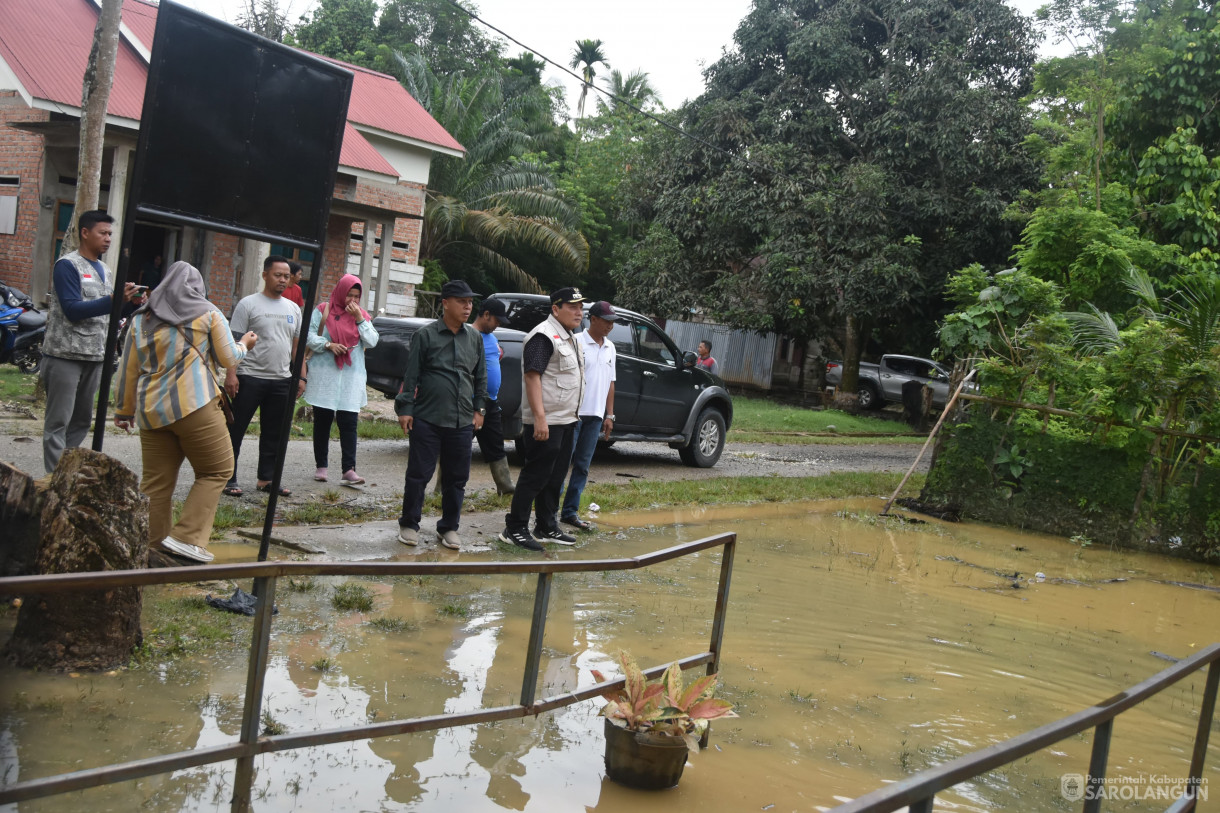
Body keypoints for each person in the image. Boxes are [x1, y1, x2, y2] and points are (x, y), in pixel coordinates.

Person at [113, 262, 258, 563]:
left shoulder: (140, 320)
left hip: (151, 413)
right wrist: (245, 344)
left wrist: (124, 410)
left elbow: (128, 368)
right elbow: (227, 356)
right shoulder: (208, 313)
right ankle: (187, 538)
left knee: (155, 483)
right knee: (217, 470)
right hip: (196, 407)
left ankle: (152, 548)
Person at [41, 209, 145, 473]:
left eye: (110, 234)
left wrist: (127, 304)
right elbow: (73, 309)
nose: (108, 239)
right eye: (103, 233)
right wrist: (112, 301)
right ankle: (53, 481)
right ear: (85, 233)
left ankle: (68, 474)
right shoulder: (67, 265)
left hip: (95, 355)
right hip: (65, 355)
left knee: (81, 421)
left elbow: (107, 312)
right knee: (58, 422)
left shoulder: (105, 270)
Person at [395, 279, 487, 550]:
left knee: (457, 478)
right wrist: (406, 408)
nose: (468, 307)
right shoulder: (426, 336)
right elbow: (411, 375)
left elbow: (481, 377)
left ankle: (448, 527)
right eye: (462, 301)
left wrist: (479, 409)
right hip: (427, 417)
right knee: (418, 475)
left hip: (461, 420)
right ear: (445, 303)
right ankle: (409, 524)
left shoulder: (475, 338)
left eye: (470, 302)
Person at [499, 287, 586, 552]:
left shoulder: (569, 336)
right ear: (556, 309)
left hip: (566, 419)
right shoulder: (543, 335)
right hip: (546, 421)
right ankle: (514, 528)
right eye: (572, 307)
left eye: (580, 307)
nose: (579, 312)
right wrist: (539, 418)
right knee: (535, 476)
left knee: (555, 476)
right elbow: (532, 376)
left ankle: (547, 525)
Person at [223, 255, 301, 497]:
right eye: (277, 275)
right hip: (249, 377)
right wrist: (231, 374)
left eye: (286, 276)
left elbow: (296, 347)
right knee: (235, 429)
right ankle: (228, 478)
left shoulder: (293, 308)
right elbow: (234, 342)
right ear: (265, 275)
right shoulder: (248, 304)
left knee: (274, 433)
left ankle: (267, 479)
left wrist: (300, 376)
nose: (282, 280)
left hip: (281, 380)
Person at [303, 273, 379, 484]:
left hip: (350, 379)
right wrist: (328, 345)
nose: (352, 301)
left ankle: (349, 470)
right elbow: (307, 335)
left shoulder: (362, 316)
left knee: (349, 424)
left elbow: (372, 341)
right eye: (348, 295)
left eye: (356, 296)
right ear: (340, 292)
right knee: (322, 422)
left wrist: (359, 319)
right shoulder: (323, 310)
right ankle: (321, 466)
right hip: (325, 375)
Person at [560, 300, 618, 531]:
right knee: (562, 464)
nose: (610, 326)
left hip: (595, 416)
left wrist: (609, 415)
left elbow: (611, 382)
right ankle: (549, 513)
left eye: (613, 322)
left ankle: (569, 512)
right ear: (593, 319)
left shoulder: (610, 347)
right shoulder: (576, 342)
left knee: (583, 466)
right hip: (574, 414)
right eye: (607, 321)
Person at [473, 298, 516, 495]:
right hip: (471, 401)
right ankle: (442, 490)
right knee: (457, 447)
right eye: (496, 320)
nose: (498, 324)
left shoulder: (492, 337)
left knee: (496, 444)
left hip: (491, 402)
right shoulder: (469, 335)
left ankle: (505, 486)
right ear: (486, 314)